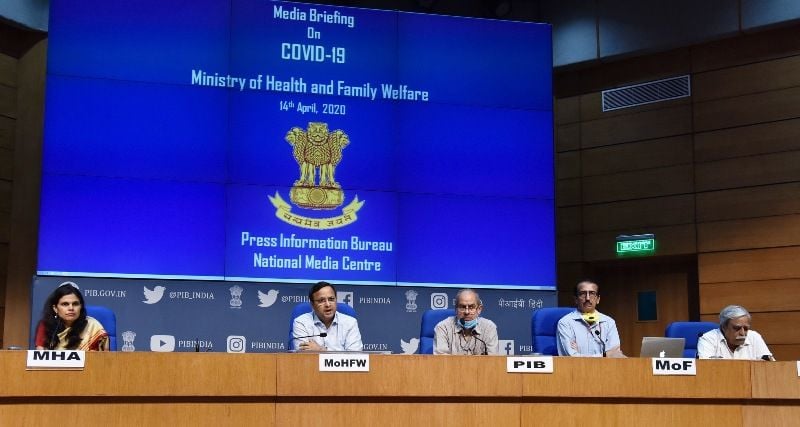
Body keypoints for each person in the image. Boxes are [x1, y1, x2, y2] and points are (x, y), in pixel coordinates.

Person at [557, 280, 624, 357]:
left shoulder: (609, 322)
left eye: (592, 293)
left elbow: (614, 355)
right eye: (583, 294)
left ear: (598, 299)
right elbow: (571, 357)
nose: (588, 298)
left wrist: (580, 355)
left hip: (605, 368)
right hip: (576, 368)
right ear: (576, 299)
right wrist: (604, 355)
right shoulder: (565, 323)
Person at [34, 282, 109, 351]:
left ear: (81, 306)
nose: (71, 308)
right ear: (55, 308)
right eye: (65, 304)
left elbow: (106, 358)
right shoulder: (46, 325)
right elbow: (39, 356)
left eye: (75, 304)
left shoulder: (93, 326)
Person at [292, 281, 363, 352]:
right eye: (321, 300)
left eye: (331, 299)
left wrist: (321, 350)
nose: (328, 304)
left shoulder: (350, 323)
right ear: (312, 304)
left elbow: (355, 357)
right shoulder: (301, 322)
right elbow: (302, 356)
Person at [433, 289, 500, 355]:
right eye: (462, 307)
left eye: (471, 307)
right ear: (456, 309)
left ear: (479, 309)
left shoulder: (489, 328)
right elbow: (442, 362)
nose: (467, 312)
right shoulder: (443, 328)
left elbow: (493, 361)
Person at [697, 305, 774, 360]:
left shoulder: (754, 337)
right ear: (724, 327)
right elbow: (705, 369)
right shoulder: (708, 339)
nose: (742, 333)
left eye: (746, 328)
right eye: (737, 328)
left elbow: (770, 366)